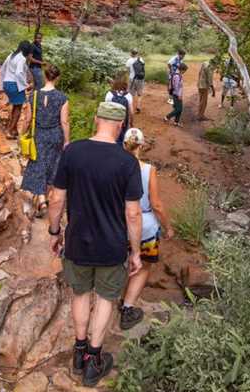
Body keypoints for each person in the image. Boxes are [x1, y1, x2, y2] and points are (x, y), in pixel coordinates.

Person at [48, 102, 143, 387]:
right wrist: (136, 252)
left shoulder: (72, 151)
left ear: (95, 119)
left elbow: (56, 198)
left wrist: (55, 232)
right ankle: (93, 360)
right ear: (121, 126)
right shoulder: (128, 162)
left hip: (77, 241)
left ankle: (78, 351)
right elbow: (133, 213)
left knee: (80, 294)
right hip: (111, 246)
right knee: (104, 299)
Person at [119, 128, 174, 331]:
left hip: (118, 223)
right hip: (145, 225)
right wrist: (168, 227)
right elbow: (157, 203)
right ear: (141, 146)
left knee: (121, 262)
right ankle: (127, 307)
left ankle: (116, 296)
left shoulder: (115, 166)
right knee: (142, 266)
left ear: (124, 144)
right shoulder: (148, 169)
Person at [20, 64, 70, 218]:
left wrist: (22, 134)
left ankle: (41, 200)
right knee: (51, 166)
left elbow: (28, 119)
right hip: (55, 136)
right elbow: (65, 122)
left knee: (38, 164)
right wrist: (67, 141)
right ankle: (43, 199)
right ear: (57, 78)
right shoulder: (62, 98)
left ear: (44, 75)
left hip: (38, 135)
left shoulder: (33, 96)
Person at [0, 41, 32, 138]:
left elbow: (2, 70)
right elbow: (18, 73)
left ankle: (13, 129)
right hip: (14, 84)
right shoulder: (21, 58)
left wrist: (1, 85)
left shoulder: (11, 55)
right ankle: (9, 131)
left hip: (7, 83)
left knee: (15, 106)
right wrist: (25, 85)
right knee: (18, 109)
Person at [104, 76, 133, 144]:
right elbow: (131, 112)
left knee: (109, 136)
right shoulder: (128, 96)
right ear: (126, 85)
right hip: (123, 122)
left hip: (110, 119)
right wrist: (131, 122)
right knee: (121, 138)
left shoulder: (109, 94)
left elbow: (105, 108)